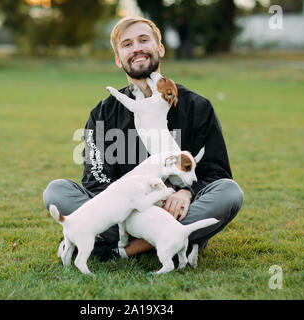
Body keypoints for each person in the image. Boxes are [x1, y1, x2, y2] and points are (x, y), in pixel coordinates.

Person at [43, 16, 243, 261]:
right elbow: (95, 180)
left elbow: (218, 172)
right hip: (126, 212)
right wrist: (138, 204)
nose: (136, 47)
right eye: (127, 44)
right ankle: (175, 240)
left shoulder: (197, 107)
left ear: (160, 48)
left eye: (143, 40)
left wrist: (186, 193)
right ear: (118, 59)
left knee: (230, 193)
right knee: (57, 192)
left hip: (177, 210)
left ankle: (121, 250)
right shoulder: (103, 114)